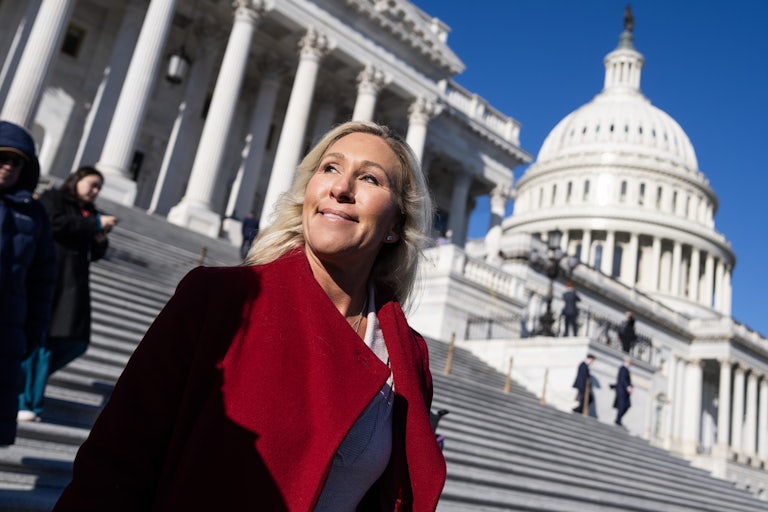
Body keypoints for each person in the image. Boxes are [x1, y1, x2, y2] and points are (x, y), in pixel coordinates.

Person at [54, 121, 447, 510]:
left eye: (369, 179)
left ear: (396, 225)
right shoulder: (217, 300)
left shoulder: (407, 355)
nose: (340, 188)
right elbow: (114, 468)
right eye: (329, 168)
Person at [18, 166, 117, 422]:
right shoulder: (55, 198)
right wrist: (93, 223)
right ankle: (27, 402)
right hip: (52, 275)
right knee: (44, 342)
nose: (95, 191)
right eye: (92, 184)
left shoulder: (91, 212)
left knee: (76, 342)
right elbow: (54, 223)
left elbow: (96, 252)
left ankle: (22, 383)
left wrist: (99, 237)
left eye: (99, 188)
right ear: (78, 179)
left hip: (76, 282)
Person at [0, 120, 56, 445]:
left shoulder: (34, 213)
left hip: (5, 331)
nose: (8, 167)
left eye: (16, 161)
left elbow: (42, 280)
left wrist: (33, 331)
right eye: (2, 157)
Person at [613, 357, 633, 426]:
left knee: (627, 405)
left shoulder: (626, 370)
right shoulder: (623, 369)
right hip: (622, 390)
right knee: (622, 405)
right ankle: (618, 419)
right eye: (630, 363)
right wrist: (628, 387)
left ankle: (619, 419)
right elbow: (623, 379)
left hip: (625, 392)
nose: (630, 364)